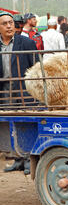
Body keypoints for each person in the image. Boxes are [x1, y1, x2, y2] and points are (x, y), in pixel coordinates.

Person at [0, 11, 37, 175]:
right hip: (4, 90)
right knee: (10, 123)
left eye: (11, 23)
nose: (9, 26)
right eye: (5, 23)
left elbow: (36, 68)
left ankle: (30, 159)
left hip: (23, 89)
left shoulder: (26, 43)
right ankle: (17, 159)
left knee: (26, 121)